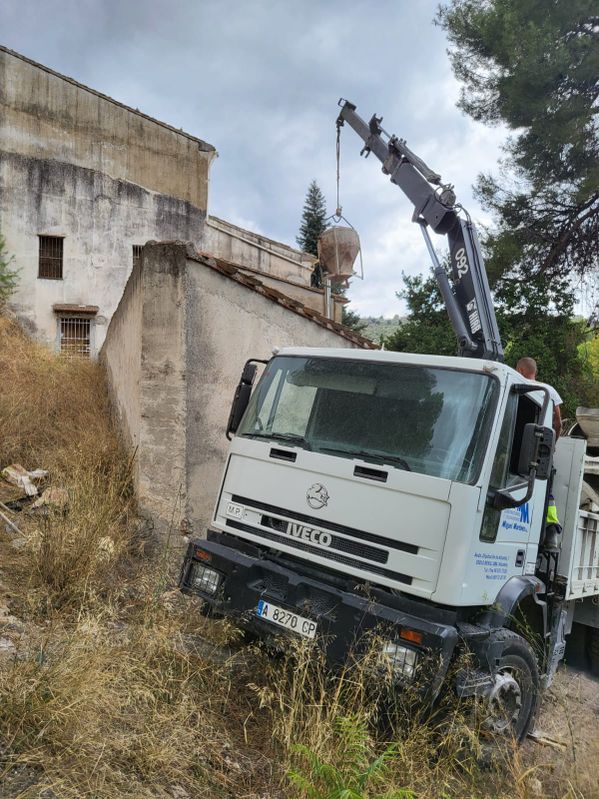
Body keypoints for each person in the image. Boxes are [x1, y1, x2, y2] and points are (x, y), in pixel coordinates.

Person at [516, 357, 562, 439]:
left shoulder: (514, 384)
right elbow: (558, 423)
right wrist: (552, 444)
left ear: (520, 370)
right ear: (535, 372)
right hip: (536, 441)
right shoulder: (549, 390)